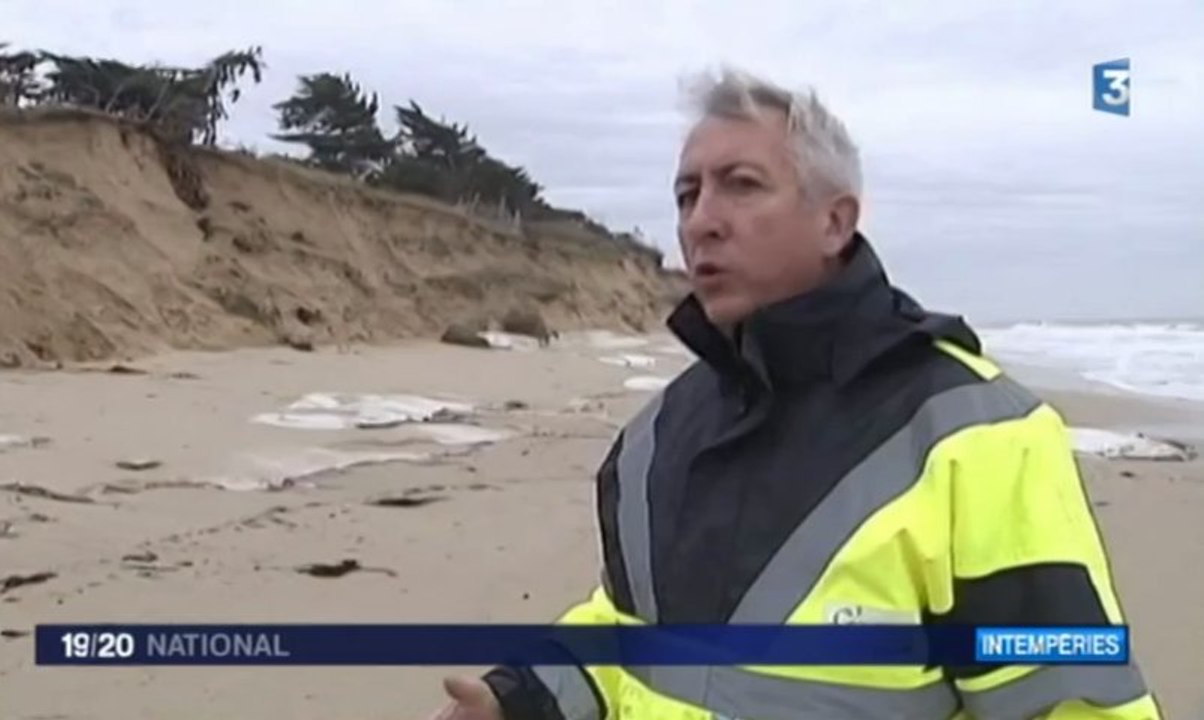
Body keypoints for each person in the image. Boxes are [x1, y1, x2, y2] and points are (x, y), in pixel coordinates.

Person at [427, 67, 1161, 720]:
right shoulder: (657, 436)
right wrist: (520, 697)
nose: (701, 221)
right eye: (687, 194)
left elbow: (1069, 698)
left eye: (741, 185)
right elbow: (628, 628)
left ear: (835, 220)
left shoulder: (975, 438)